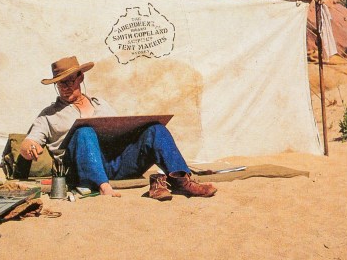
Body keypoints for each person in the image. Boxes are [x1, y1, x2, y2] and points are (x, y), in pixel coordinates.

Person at [20, 56, 216, 200]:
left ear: (80, 77)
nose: (66, 87)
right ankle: (104, 187)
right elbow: (29, 142)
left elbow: (120, 127)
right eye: (60, 83)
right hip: (81, 170)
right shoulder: (48, 114)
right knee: (84, 131)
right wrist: (29, 148)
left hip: (116, 162)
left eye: (70, 80)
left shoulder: (100, 104)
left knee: (155, 129)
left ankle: (183, 181)